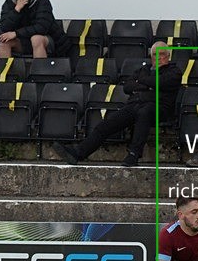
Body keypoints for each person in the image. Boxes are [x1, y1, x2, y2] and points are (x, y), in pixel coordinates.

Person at [52, 41, 181, 167]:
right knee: (108, 123)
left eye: (162, 54)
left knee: (144, 112)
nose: (158, 58)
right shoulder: (144, 69)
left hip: (159, 108)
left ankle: (134, 154)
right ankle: (78, 152)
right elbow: (127, 87)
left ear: (168, 56)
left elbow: (161, 82)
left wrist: (142, 82)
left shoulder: (174, 71)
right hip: (135, 105)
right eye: (155, 54)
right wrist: (148, 86)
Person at [0, 0, 70, 58]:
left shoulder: (42, 0)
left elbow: (42, 27)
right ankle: (4, 70)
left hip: (51, 41)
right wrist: (16, 10)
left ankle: (40, 70)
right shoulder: (9, 3)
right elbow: (4, 27)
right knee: (5, 42)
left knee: (36, 39)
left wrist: (16, 33)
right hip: (24, 41)